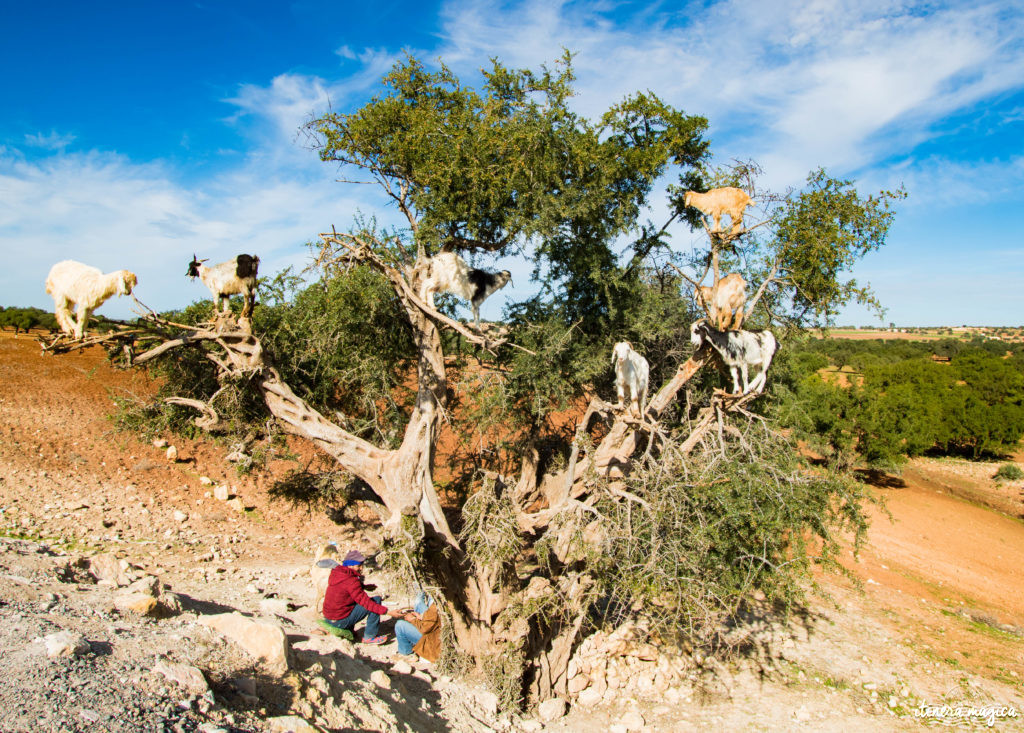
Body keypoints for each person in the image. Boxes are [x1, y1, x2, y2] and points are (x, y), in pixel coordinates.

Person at [321, 549, 413, 645]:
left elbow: (345, 589)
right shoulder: (352, 581)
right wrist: (388, 612)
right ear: (350, 565)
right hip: (338, 621)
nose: (361, 568)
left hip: (329, 617)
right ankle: (370, 637)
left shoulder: (338, 573)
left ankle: (348, 629)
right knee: (375, 601)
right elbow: (366, 602)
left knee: (352, 602)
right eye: (358, 566)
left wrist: (363, 587)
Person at [393, 591, 442, 663]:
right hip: (433, 629)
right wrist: (421, 616)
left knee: (400, 625)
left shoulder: (437, 605)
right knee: (418, 602)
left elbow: (425, 629)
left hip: (432, 641)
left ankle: (406, 653)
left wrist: (413, 620)